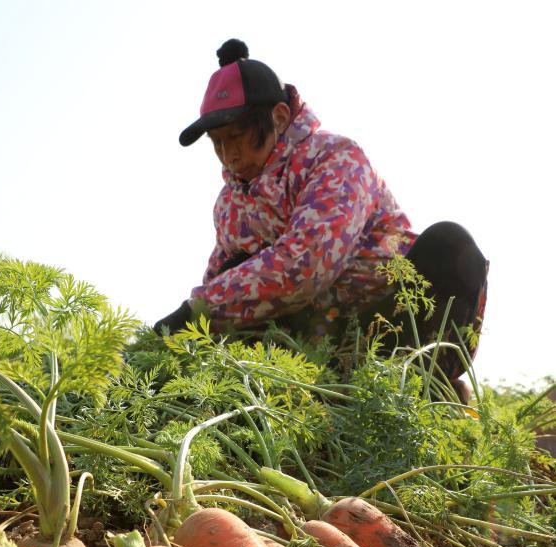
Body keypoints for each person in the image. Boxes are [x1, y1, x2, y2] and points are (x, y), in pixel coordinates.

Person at [155, 39, 488, 394]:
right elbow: (222, 280)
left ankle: (429, 381)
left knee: (450, 244)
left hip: (388, 316)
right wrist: (187, 323)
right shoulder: (231, 205)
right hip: (315, 339)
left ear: (279, 117)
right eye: (217, 143)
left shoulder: (335, 158)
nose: (229, 154)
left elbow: (307, 263)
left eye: (237, 136)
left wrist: (204, 307)